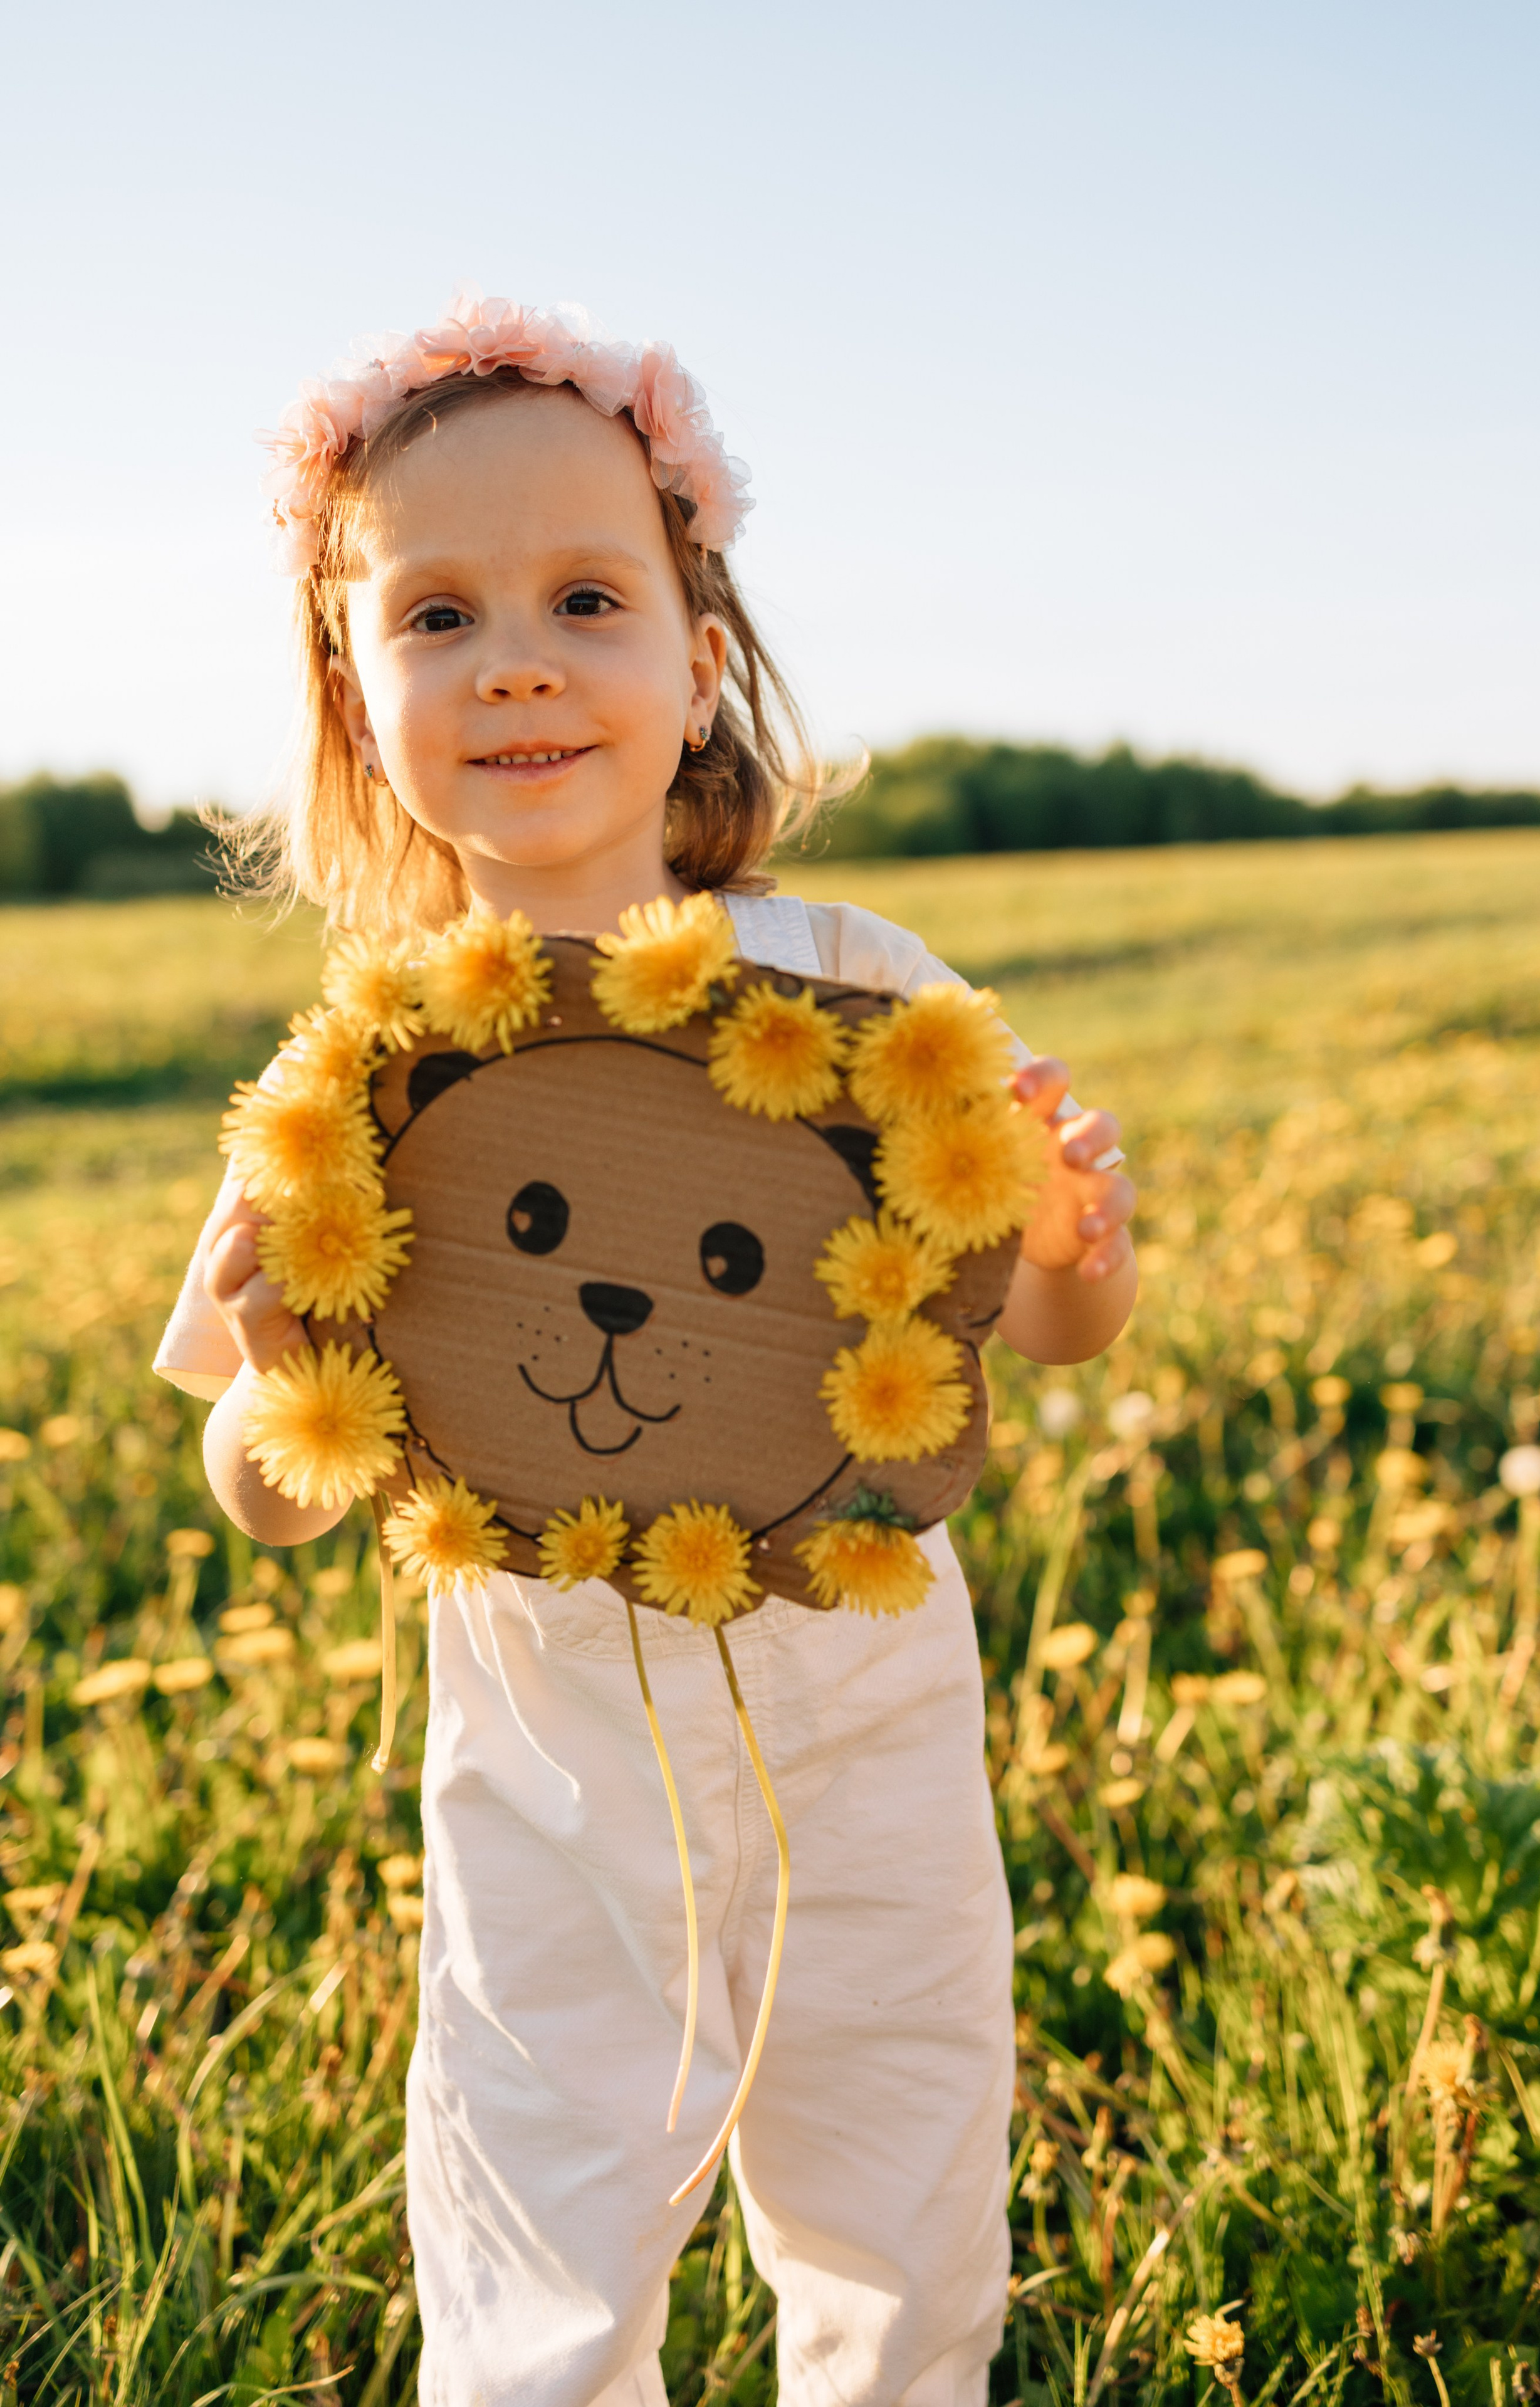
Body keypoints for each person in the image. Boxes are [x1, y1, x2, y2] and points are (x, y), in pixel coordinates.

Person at [155, 293, 1138, 2407]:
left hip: (863, 1744)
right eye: (437, 615)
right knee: (538, 2240)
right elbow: (261, 1483)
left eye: (585, 597)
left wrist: (1075, 1237)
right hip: (552, 1798)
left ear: (696, 661)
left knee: (899, 2198)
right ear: (355, 686)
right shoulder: (374, 1064)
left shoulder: (854, 981)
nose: (516, 657)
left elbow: (1037, 1331)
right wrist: (260, 1360)